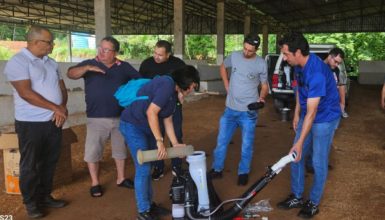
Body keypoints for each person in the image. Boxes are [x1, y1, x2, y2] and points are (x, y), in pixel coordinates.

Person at [119, 65, 200, 220]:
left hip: (146, 126)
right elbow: (151, 112)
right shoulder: (166, 84)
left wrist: (175, 143)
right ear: (186, 82)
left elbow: (167, 120)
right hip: (132, 125)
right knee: (143, 168)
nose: (191, 90)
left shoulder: (174, 94)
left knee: (148, 167)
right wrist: (159, 140)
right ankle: (143, 211)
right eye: (192, 87)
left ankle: (149, 205)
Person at [3, 25, 68, 218]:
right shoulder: (18, 62)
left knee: (49, 161)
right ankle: (31, 203)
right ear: (34, 42)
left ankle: (45, 196)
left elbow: (62, 88)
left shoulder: (52, 62)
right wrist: (56, 108)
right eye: (49, 42)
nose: (52, 45)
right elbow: (26, 93)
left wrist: (62, 107)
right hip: (30, 124)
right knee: (30, 165)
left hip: (53, 121)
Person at [276, 32, 341, 219]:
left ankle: (313, 202)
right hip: (308, 113)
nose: (284, 57)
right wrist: (297, 113)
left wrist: (300, 140)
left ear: (297, 52)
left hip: (325, 117)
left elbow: (313, 113)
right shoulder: (297, 66)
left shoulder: (317, 72)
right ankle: (297, 196)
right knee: (295, 156)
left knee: (318, 161)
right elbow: (299, 90)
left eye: (286, 53)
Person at [67, 36, 140, 197]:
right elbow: (70, 74)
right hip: (96, 118)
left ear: (115, 52)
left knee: (120, 150)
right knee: (93, 152)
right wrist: (87, 68)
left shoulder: (124, 67)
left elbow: (139, 82)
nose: (101, 52)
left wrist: (131, 99)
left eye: (106, 49)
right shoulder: (90, 63)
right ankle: (95, 183)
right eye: (100, 48)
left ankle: (121, 178)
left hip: (121, 117)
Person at [209, 33, 268, 186]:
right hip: (230, 110)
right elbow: (223, 67)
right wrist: (226, 84)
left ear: (256, 49)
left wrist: (262, 97)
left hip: (248, 113)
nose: (246, 52)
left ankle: (243, 172)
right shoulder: (234, 56)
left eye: (250, 51)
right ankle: (217, 169)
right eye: (245, 48)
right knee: (221, 141)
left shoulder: (261, 63)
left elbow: (265, 85)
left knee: (247, 145)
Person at [139, 40, 186, 180]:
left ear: (168, 54)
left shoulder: (178, 64)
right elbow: (141, 83)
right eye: (155, 53)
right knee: (156, 137)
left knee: (176, 135)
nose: (156, 56)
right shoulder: (146, 64)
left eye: (160, 55)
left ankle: (177, 166)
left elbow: (184, 81)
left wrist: (181, 92)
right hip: (154, 107)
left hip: (173, 106)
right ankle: (158, 167)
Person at [324, 47, 348, 118]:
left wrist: (342, 103)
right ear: (329, 56)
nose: (337, 65)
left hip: (332, 106)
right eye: (335, 61)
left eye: (339, 63)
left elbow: (340, 85)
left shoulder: (336, 70)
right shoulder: (320, 69)